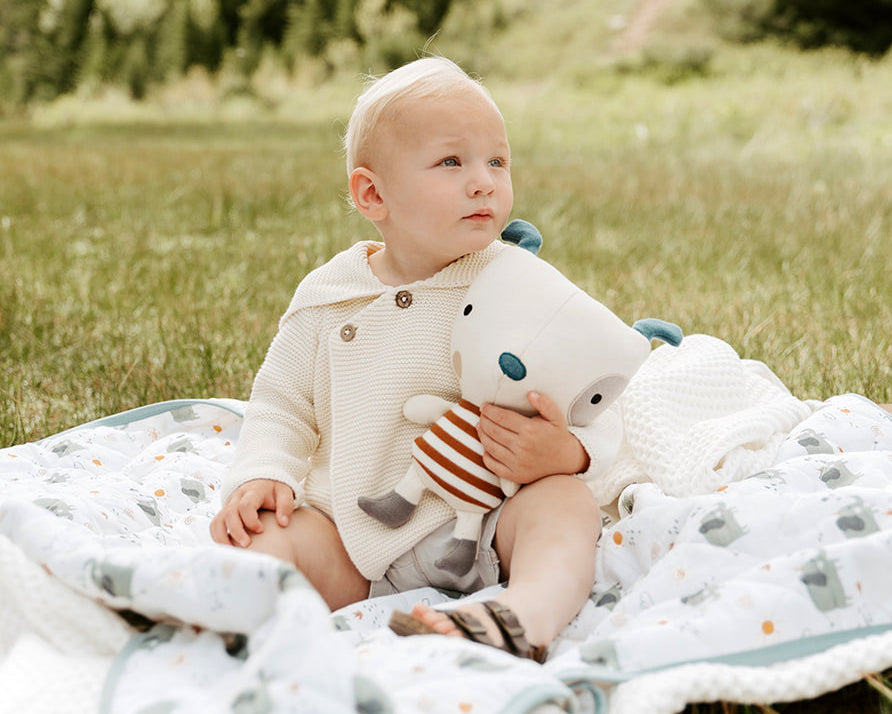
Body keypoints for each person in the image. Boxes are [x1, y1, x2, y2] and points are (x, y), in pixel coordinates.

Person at [209, 56, 616, 661]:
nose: (483, 181)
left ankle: (521, 614)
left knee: (562, 505)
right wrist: (264, 472)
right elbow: (282, 404)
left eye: (496, 161)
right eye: (452, 161)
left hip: (486, 529)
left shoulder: (518, 282)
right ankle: (266, 630)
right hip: (348, 536)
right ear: (373, 193)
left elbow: (600, 396)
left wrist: (569, 452)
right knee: (262, 533)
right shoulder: (330, 295)